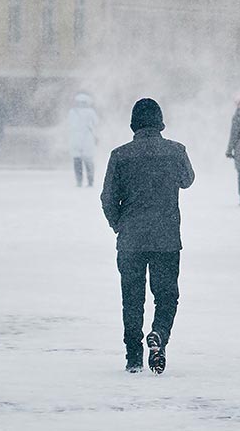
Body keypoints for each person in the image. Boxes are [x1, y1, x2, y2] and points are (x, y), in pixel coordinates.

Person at [101, 98, 195, 374]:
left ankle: (133, 357)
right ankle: (159, 335)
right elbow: (187, 180)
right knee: (166, 296)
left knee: (132, 298)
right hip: (166, 238)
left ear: (134, 124)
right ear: (160, 122)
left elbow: (108, 197)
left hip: (130, 239)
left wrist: (118, 224)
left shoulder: (119, 155)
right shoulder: (175, 151)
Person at [67, 92, 99, 187]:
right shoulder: (90, 112)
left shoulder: (73, 112)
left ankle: (81, 181)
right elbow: (96, 123)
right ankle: (88, 181)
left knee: (79, 162)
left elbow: (70, 125)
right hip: (84, 139)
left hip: (78, 139)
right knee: (86, 161)